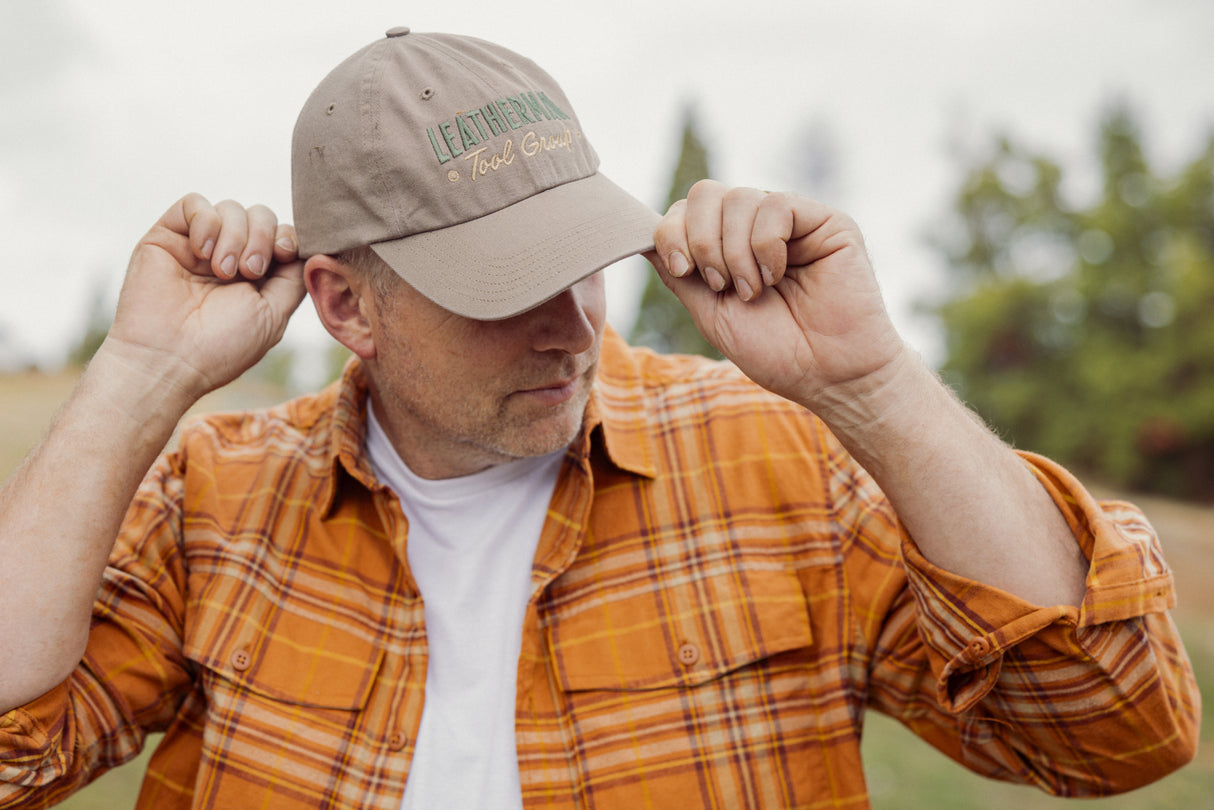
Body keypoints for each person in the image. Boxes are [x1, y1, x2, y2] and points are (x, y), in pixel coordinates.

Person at [0, 27, 1199, 810]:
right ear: (344, 303)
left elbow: (1111, 730)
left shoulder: (778, 456)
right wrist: (139, 376)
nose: (569, 324)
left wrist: (868, 385)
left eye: (579, 259)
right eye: (499, 288)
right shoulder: (218, 496)